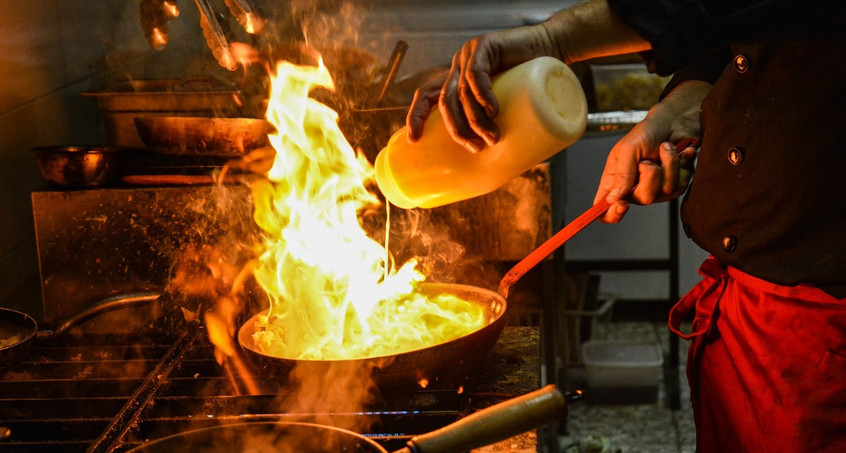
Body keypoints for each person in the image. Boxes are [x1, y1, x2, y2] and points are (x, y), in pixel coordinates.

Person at [404, 0, 846, 451]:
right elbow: (738, 42)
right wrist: (675, 112)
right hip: (740, 313)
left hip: (823, 331)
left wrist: (550, 40)